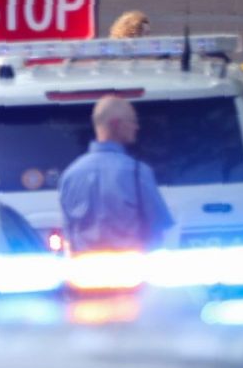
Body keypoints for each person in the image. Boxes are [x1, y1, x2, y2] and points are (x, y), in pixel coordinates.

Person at [56, 95, 176, 252]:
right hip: (131, 271)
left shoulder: (70, 175)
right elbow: (158, 226)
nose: (136, 127)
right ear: (116, 124)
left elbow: (68, 232)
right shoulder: (137, 172)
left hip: (85, 272)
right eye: (132, 121)